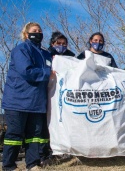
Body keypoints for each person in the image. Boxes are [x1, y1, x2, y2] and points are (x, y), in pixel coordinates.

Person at [2, 22, 52, 170]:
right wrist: (49, 73)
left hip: (37, 102)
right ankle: (9, 166)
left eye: (40, 30)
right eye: (34, 30)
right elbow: (26, 71)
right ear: (26, 34)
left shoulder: (45, 53)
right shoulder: (21, 49)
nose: (38, 33)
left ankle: (32, 163)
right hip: (18, 101)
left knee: (35, 135)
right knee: (15, 135)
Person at [39, 31, 76, 166]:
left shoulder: (71, 57)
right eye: (58, 43)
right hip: (47, 94)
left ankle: (61, 152)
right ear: (52, 44)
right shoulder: (45, 55)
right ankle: (44, 154)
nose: (61, 46)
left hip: (64, 96)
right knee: (46, 125)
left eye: (64, 44)